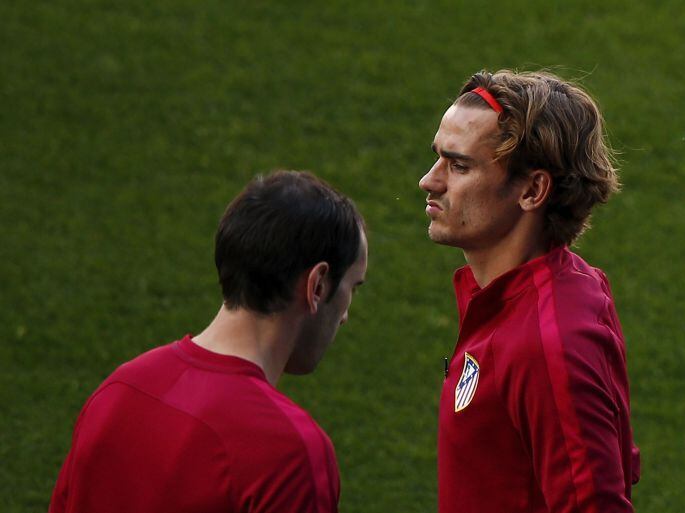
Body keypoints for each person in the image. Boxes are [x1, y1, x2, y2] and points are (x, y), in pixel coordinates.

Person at [49, 170, 367, 513]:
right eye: (353, 287)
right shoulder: (288, 454)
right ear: (317, 285)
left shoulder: (119, 390)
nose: (346, 314)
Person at [419, 70, 641, 513]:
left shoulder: (548, 342)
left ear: (533, 190)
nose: (430, 180)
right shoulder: (517, 298)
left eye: (459, 165)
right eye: (438, 159)